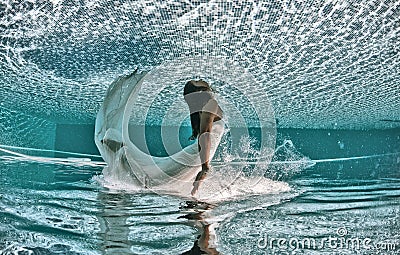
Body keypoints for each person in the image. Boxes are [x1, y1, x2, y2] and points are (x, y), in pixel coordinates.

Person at [183, 80, 223, 196]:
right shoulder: (211, 104)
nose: (201, 80)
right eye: (198, 83)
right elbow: (205, 135)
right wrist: (205, 167)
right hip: (203, 148)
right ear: (199, 92)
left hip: (202, 147)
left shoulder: (202, 107)